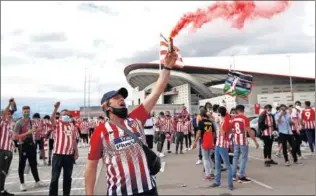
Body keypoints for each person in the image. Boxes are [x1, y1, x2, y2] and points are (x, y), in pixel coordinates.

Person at [85, 50, 178, 196]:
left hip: (148, 190)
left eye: (122, 97)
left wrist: (167, 67)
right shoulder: (101, 131)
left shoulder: (135, 119)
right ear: (107, 107)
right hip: (120, 192)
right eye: (116, 98)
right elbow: (91, 167)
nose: (122, 99)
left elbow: (156, 93)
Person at [48, 103, 79, 196]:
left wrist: (76, 152)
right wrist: (55, 108)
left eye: (67, 114)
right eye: (63, 114)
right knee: (54, 178)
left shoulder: (72, 126)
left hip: (69, 156)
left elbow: (73, 140)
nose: (65, 116)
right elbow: (51, 118)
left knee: (68, 178)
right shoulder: (57, 123)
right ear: (60, 116)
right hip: (58, 155)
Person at [13, 106, 45, 191]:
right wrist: (28, 132)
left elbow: (38, 129)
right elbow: (15, 137)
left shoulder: (32, 122)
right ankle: (22, 183)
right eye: (25, 112)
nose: (26, 113)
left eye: (28, 111)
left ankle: (37, 181)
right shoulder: (19, 122)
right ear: (22, 112)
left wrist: (37, 130)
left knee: (33, 164)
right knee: (22, 165)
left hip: (32, 144)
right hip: (23, 145)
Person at [231, 105, 259, 183]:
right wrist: (255, 141)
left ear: (237, 110)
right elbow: (249, 131)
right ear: (243, 110)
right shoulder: (244, 118)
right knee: (244, 158)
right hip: (243, 140)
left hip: (236, 140)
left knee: (235, 157)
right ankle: (241, 175)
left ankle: (233, 175)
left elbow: (232, 130)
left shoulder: (234, 119)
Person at [210, 106, 233, 190]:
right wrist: (212, 117)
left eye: (218, 113)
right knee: (217, 164)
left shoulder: (227, 121)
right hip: (218, 144)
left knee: (227, 165)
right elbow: (215, 117)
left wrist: (218, 123)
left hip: (223, 145)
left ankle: (230, 184)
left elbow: (223, 133)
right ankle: (217, 182)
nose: (217, 114)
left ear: (220, 113)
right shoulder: (222, 118)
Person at [192, 108, 216, 180]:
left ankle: (208, 174)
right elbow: (214, 133)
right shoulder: (211, 122)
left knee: (205, 158)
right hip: (211, 142)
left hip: (204, 142)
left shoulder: (201, 122)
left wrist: (195, 142)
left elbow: (199, 133)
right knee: (209, 157)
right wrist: (213, 141)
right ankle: (211, 172)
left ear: (201, 116)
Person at [0, 98, 17, 196]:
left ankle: (2, 189)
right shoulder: (2, 123)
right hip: (2, 150)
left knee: (5, 172)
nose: (9, 115)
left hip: (9, 150)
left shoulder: (10, 125)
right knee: (1, 171)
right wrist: (9, 104)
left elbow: (14, 110)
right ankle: (1, 191)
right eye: (7, 114)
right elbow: (3, 116)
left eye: (10, 114)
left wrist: (13, 105)